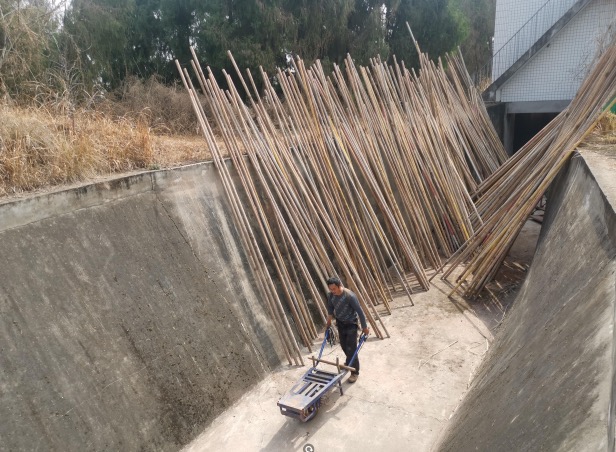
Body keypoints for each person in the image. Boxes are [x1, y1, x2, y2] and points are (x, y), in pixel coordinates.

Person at [325, 276, 369, 383]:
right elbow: (330, 308)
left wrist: (364, 327)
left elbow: (360, 312)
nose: (332, 291)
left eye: (334, 289)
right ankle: (349, 362)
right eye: (330, 289)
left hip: (351, 323)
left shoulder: (350, 296)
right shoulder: (331, 295)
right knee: (344, 345)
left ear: (339, 285)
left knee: (351, 348)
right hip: (340, 323)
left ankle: (355, 372)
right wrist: (328, 322)